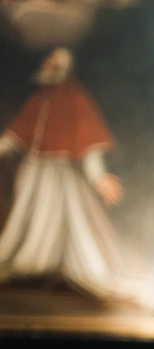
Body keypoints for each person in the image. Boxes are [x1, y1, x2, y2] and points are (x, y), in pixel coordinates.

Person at [0, 48, 125, 297]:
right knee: (30, 217)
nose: (47, 67)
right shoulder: (38, 100)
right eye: (46, 62)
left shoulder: (76, 100)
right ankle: (33, 266)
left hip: (61, 174)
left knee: (68, 219)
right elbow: (14, 136)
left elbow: (89, 146)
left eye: (52, 64)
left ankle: (54, 269)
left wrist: (99, 178)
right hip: (35, 172)